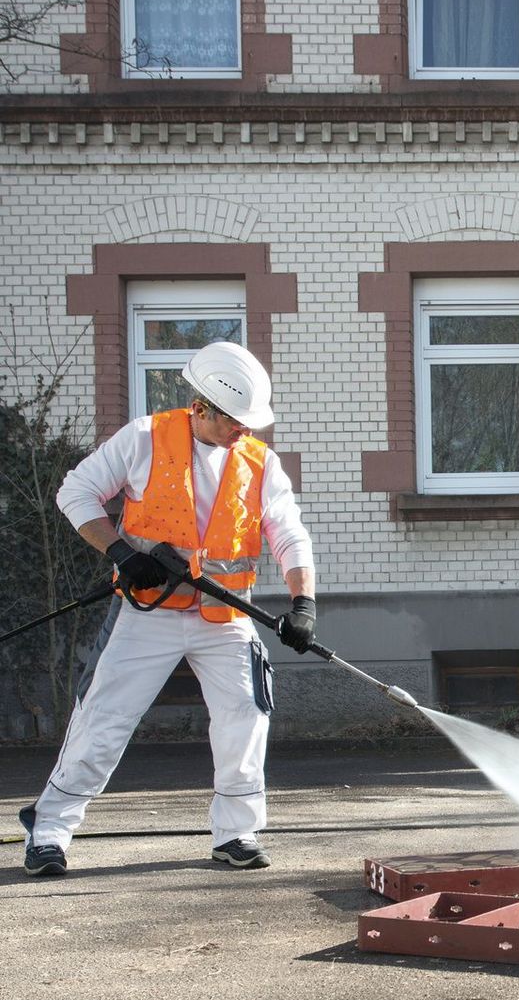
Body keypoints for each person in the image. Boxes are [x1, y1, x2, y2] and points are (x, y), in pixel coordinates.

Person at [19, 341, 316, 877]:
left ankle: (237, 833)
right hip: (146, 612)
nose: (244, 431)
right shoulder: (142, 439)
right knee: (103, 722)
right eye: (235, 420)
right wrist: (121, 554)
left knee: (245, 719)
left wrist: (304, 603)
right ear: (202, 407)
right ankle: (49, 829)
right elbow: (77, 492)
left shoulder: (258, 462)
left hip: (226, 619)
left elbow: (289, 534)